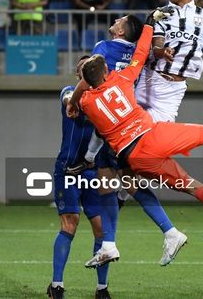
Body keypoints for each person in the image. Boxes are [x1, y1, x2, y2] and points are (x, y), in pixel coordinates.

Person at [68, 18, 203, 266]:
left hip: (134, 156)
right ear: (106, 73)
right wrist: (150, 25)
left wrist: (73, 102)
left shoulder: (86, 102)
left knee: (187, 187)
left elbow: (82, 93)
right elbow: (140, 54)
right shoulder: (122, 79)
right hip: (154, 135)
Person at [69, 14, 186, 270]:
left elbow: (88, 78)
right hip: (131, 121)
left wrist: (73, 101)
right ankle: (168, 232)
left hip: (113, 128)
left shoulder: (103, 47)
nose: (116, 20)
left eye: (120, 20)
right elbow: (144, 49)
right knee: (127, 183)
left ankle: (111, 244)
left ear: (121, 31)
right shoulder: (134, 56)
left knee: (107, 184)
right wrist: (150, 22)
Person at [47, 56, 111, 299]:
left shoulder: (105, 98)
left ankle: (102, 289)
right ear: (78, 74)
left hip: (94, 170)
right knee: (70, 223)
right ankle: (56, 285)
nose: (86, 70)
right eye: (83, 68)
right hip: (68, 167)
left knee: (102, 229)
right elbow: (70, 101)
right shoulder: (68, 92)